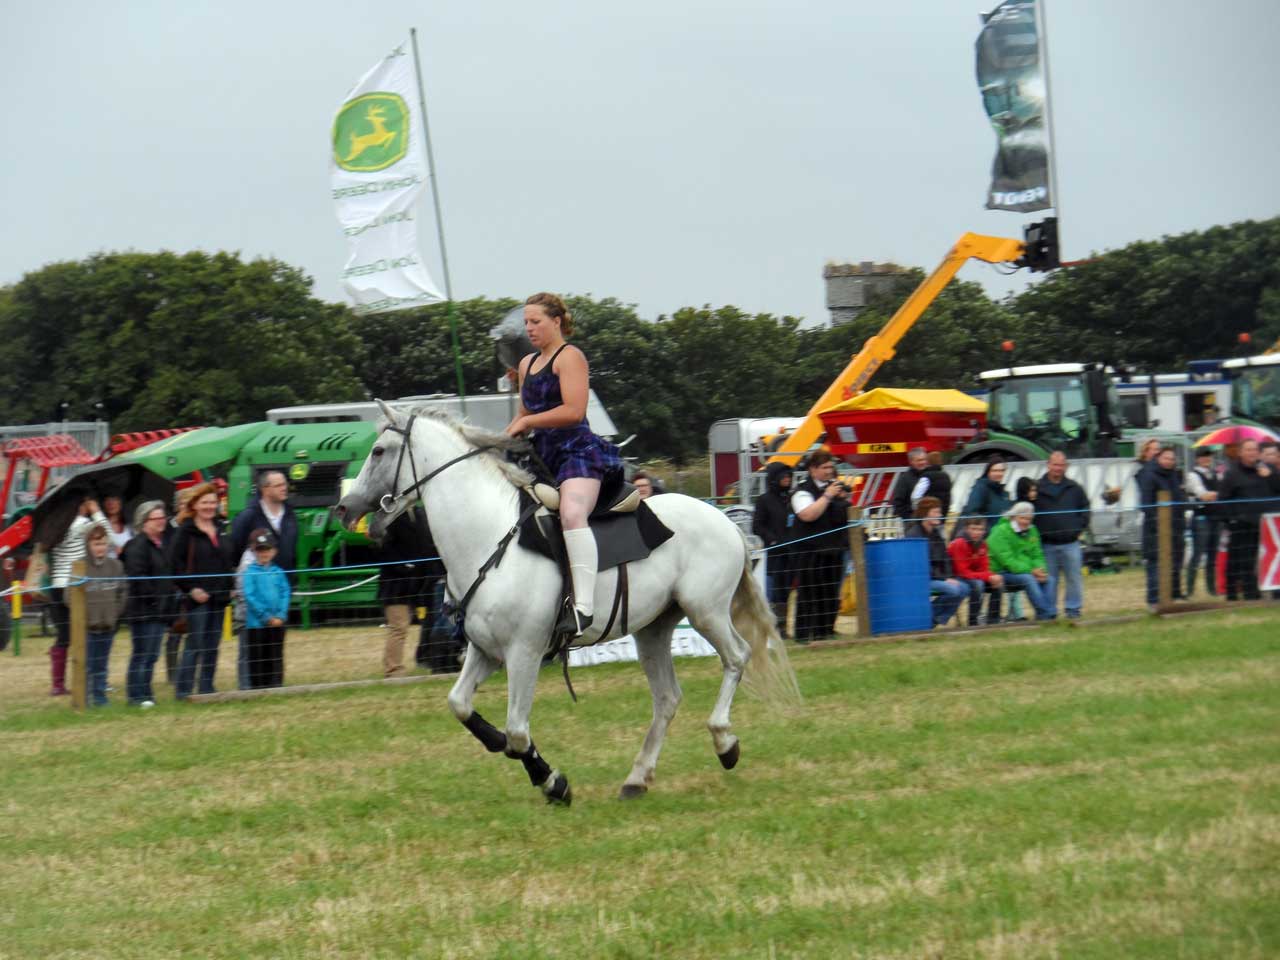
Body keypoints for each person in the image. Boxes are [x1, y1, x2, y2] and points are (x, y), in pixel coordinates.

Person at [505, 292, 623, 637]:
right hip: (539, 453)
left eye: (536, 321)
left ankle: (583, 607)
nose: (529, 328)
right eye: (526, 322)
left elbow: (573, 411)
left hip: (576, 451)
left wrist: (527, 423)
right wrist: (506, 435)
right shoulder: (526, 364)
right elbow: (524, 414)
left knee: (572, 513)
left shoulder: (570, 357)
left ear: (556, 321)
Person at [230, 470, 298, 689]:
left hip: (279, 586)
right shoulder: (249, 516)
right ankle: (248, 686)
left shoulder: (290, 513)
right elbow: (234, 548)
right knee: (251, 646)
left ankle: (274, 683)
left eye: (284, 484)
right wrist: (237, 584)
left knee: (275, 644)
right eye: (278, 485)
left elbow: (292, 548)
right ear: (264, 489)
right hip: (252, 590)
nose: (284, 487)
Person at [171, 483, 234, 699]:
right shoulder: (185, 532)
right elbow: (174, 567)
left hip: (219, 597)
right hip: (197, 599)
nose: (209, 506)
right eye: (205, 502)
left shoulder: (221, 527)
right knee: (194, 644)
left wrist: (231, 586)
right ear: (194, 505)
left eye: (213, 502)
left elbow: (228, 560)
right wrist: (191, 589)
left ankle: (207, 687)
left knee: (212, 645)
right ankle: (184, 691)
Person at [47, 497, 110, 696]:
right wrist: (96, 510)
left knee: (64, 635)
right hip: (76, 584)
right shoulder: (81, 523)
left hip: (57, 585)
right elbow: (105, 532)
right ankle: (88, 678)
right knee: (85, 633)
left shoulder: (52, 527)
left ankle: (58, 684)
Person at [789, 450, 850, 643]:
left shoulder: (836, 489)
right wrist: (827, 496)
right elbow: (808, 515)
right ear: (812, 470)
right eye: (824, 467)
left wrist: (841, 499)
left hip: (833, 550)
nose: (829, 471)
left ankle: (826, 631)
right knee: (809, 593)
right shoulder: (802, 491)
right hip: (809, 551)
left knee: (831, 593)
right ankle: (805, 634)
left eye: (831, 467)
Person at [377, 504, 443, 677]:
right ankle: (393, 669)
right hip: (395, 585)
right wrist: (405, 566)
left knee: (401, 627)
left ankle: (395, 665)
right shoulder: (392, 517)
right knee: (398, 627)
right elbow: (386, 550)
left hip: (412, 584)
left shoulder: (418, 514)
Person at [122, 500, 174, 708]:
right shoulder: (137, 546)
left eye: (163, 518)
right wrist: (154, 599)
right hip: (144, 611)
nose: (162, 522)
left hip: (159, 610)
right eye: (157, 518)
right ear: (144, 521)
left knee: (152, 655)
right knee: (142, 654)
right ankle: (136, 695)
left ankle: (146, 692)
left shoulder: (161, 545)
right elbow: (138, 577)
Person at [1217, 438, 1280, 601]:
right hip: (1243, 523)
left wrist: (1271, 476)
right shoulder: (1232, 473)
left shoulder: (1268, 469)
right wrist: (1231, 519)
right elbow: (1223, 499)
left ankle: (1274, 591)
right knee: (1241, 560)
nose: (1252, 453)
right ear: (1240, 453)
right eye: (1248, 450)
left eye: (1254, 450)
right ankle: (1246, 594)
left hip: (1268, 524)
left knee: (1271, 557)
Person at [1034, 450, 1091, 619]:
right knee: (1049, 581)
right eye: (1054, 464)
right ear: (1048, 465)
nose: (1058, 468)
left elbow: (1085, 509)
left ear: (1066, 466)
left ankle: (1073, 610)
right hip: (1046, 544)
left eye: (1061, 465)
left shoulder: (1075, 488)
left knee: (1074, 579)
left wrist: (1079, 528)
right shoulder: (1037, 488)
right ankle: (1049, 612)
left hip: (1070, 543)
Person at [1136, 445, 1188, 610]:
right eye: (1166, 458)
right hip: (1155, 530)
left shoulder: (1173, 476)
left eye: (1172, 459)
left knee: (1173, 565)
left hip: (1175, 528)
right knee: (1154, 565)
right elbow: (1146, 504)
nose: (1169, 461)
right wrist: (1159, 522)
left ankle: (1170, 598)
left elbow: (1179, 499)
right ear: (1158, 458)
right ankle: (1153, 601)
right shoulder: (1149, 475)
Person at [987, 502, 1055, 621]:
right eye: (1022, 518)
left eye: (1029, 519)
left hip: (1025, 570)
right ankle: (1047, 614)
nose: (1026, 522)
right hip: (1002, 572)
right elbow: (1008, 561)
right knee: (1028, 579)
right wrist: (1031, 571)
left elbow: (1037, 554)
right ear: (1013, 516)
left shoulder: (1033, 530)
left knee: (1049, 579)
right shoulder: (1000, 531)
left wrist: (1041, 570)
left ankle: (1044, 615)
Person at [83, 525, 127, 707]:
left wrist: (114, 613)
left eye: (102, 543)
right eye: (95, 543)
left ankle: (100, 698)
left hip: (108, 625)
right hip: (87, 627)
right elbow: (69, 597)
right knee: (87, 665)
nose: (99, 547)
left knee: (102, 665)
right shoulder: (80, 566)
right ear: (88, 545)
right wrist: (84, 616)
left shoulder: (116, 566)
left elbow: (123, 592)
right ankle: (84, 698)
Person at [241, 529, 291, 689]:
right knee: (258, 657)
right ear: (254, 551)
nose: (264, 553)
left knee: (275, 655)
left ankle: (276, 685)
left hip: (278, 623)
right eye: (260, 550)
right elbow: (250, 596)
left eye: (267, 549)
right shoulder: (249, 572)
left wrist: (281, 615)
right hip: (257, 625)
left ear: (274, 551)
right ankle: (258, 688)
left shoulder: (279, 572)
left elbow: (285, 592)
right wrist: (266, 617)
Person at [907, 497, 967, 627]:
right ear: (924, 513)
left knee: (964, 588)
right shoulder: (914, 535)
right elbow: (922, 565)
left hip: (938, 577)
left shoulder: (936, 533)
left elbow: (945, 558)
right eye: (935, 512)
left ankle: (933, 620)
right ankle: (929, 619)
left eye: (939, 512)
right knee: (954, 590)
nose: (939, 515)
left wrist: (949, 576)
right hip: (923, 579)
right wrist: (944, 579)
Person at [752, 461, 795, 631]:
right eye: (783, 476)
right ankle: (776, 627)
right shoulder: (764, 500)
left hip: (792, 551)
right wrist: (773, 540)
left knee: (788, 589)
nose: (787, 479)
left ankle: (784, 624)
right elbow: (757, 526)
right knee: (775, 590)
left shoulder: (793, 498)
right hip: (775, 553)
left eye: (789, 476)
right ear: (774, 479)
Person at [948, 516, 1005, 626]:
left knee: (998, 583)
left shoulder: (982, 544)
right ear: (966, 529)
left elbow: (985, 568)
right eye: (973, 529)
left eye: (980, 529)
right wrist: (987, 576)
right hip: (956, 577)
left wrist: (993, 576)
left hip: (973, 576)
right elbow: (962, 572)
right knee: (978, 585)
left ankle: (993, 620)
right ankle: (973, 622)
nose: (977, 532)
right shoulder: (959, 543)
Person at [1184, 448, 1221, 597]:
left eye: (1209, 456)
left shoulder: (1214, 474)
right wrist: (1216, 495)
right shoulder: (1192, 475)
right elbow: (1203, 495)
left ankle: (1211, 589)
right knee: (1198, 554)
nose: (1207, 459)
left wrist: (1215, 495)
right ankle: (1190, 590)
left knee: (1213, 555)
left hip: (1215, 518)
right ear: (1197, 459)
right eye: (1204, 456)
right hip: (1201, 518)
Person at [891, 447, 950, 520]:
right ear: (911, 462)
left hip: (933, 519)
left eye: (924, 460)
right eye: (919, 460)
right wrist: (910, 518)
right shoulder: (904, 479)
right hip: (913, 520)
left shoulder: (931, 476)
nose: (922, 462)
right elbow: (898, 502)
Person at [963, 457, 1012, 525]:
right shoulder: (981, 488)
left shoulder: (1004, 493)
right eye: (995, 470)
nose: (999, 473)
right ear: (988, 472)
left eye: (1002, 470)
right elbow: (972, 513)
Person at [102, 494, 133, 559]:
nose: (111, 503)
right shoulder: (98, 526)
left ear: (121, 503)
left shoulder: (130, 528)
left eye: (115, 499)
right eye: (107, 500)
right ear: (103, 504)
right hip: (105, 567)